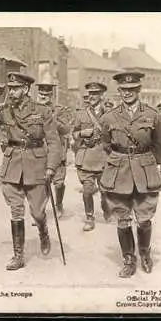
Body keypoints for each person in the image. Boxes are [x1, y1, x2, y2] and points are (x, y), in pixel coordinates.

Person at [0, 72, 62, 271]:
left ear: (26, 89)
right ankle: (18, 255)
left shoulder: (42, 111)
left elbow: (54, 142)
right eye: (10, 88)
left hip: (36, 163)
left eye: (16, 88)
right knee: (16, 211)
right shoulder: (4, 110)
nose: (12, 92)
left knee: (38, 212)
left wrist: (51, 167)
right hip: (12, 164)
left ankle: (43, 230)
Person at [99, 71, 161, 278]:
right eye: (123, 90)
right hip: (118, 172)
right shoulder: (108, 117)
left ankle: (145, 254)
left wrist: (153, 164)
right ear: (119, 91)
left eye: (131, 89)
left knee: (144, 219)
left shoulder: (152, 115)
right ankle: (129, 259)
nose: (127, 93)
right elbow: (105, 144)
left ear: (138, 90)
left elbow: (159, 144)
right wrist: (118, 160)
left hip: (145, 171)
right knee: (123, 219)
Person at [72, 82, 109, 231]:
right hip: (86, 157)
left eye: (96, 93)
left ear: (102, 95)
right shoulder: (81, 113)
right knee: (87, 191)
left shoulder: (110, 114)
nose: (92, 96)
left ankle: (106, 208)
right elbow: (73, 134)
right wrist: (81, 133)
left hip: (104, 157)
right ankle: (89, 217)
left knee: (105, 191)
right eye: (90, 93)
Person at [35, 81, 71, 218]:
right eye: (41, 94)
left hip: (57, 151)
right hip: (39, 152)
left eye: (47, 94)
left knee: (59, 182)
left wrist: (52, 118)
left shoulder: (59, 110)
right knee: (41, 184)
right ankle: (40, 211)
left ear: (51, 95)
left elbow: (66, 129)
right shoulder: (33, 109)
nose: (43, 97)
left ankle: (59, 204)